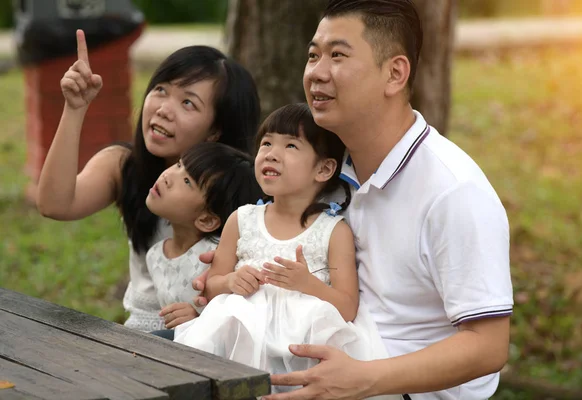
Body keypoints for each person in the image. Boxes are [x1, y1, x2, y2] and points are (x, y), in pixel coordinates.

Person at [259, 1, 515, 399]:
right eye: (313, 55)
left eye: (338, 55)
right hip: (318, 366)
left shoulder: (453, 191)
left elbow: (488, 345)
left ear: (394, 74)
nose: (316, 73)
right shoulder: (325, 170)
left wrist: (363, 378)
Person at [35, 29, 260, 332]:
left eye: (188, 103)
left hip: (204, 340)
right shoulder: (123, 165)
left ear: (215, 131)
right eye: (161, 90)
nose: (164, 109)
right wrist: (74, 109)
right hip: (138, 336)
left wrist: (204, 321)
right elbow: (54, 204)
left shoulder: (239, 197)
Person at [174, 104, 394, 397]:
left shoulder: (333, 231)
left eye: (290, 145)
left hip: (301, 353)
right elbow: (211, 286)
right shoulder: (242, 219)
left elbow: (347, 308)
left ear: (324, 168)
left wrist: (308, 284)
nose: (271, 153)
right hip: (238, 347)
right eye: (266, 143)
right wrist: (229, 282)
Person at [145, 142, 262, 331]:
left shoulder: (219, 258)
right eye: (178, 165)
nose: (168, 176)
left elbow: (237, 320)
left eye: (187, 182)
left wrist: (198, 320)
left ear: (207, 219)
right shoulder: (154, 256)